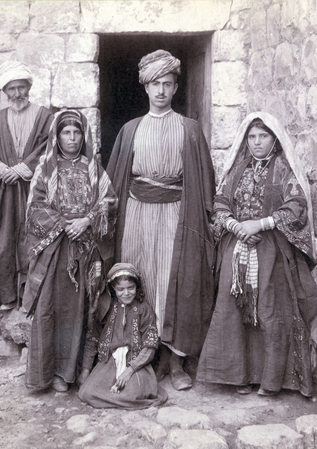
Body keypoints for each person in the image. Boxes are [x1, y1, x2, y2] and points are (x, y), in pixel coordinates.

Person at [106, 50, 216, 390]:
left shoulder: (190, 129)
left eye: (168, 84)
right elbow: (113, 183)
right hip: (137, 214)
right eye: (155, 84)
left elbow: (204, 182)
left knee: (174, 283)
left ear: (175, 87)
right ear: (145, 87)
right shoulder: (130, 130)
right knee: (141, 279)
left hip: (176, 215)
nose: (161, 91)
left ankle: (175, 359)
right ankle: (141, 357)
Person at [197, 112, 317, 397]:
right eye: (252, 137)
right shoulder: (239, 168)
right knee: (231, 307)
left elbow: (297, 205)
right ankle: (237, 376)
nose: (256, 142)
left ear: (274, 140)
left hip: (271, 250)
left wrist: (262, 224)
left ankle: (271, 379)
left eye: (262, 136)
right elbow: (220, 202)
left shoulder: (282, 170)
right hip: (237, 245)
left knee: (269, 310)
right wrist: (236, 226)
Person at [23, 110, 117, 393]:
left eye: (77, 133)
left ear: (84, 135)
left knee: (81, 310)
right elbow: (34, 208)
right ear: (57, 136)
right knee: (51, 308)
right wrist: (64, 225)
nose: (72, 138)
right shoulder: (46, 169)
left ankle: (72, 372)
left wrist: (87, 220)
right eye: (66, 133)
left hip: (86, 248)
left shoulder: (94, 169)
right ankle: (46, 373)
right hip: (56, 250)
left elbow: (110, 201)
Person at [0, 61, 53, 310]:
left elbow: (49, 148)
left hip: (36, 190)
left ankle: (33, 297)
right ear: (4, 92)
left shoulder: (45, 117)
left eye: (21, 87)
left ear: (29, 87)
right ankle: (8, 297)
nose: (17, 94)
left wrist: (23, 170)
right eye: (11, 89)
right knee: (1, 240)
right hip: (4, 193)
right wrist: (3, 170)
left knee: (34, 240)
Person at [78, 263, 168, 410]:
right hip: (109, 360)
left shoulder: (143, 308)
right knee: (87, 392)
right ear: (113, 289)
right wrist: (86, 370)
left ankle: (119, 398)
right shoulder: (106, 307)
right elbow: (93, 338)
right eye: (120, 289)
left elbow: (150, 345)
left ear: (137, 287)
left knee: (134, 393)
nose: (126, 293)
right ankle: (118, 399)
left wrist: (130, 370)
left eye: (130, 288)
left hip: (136, 362)